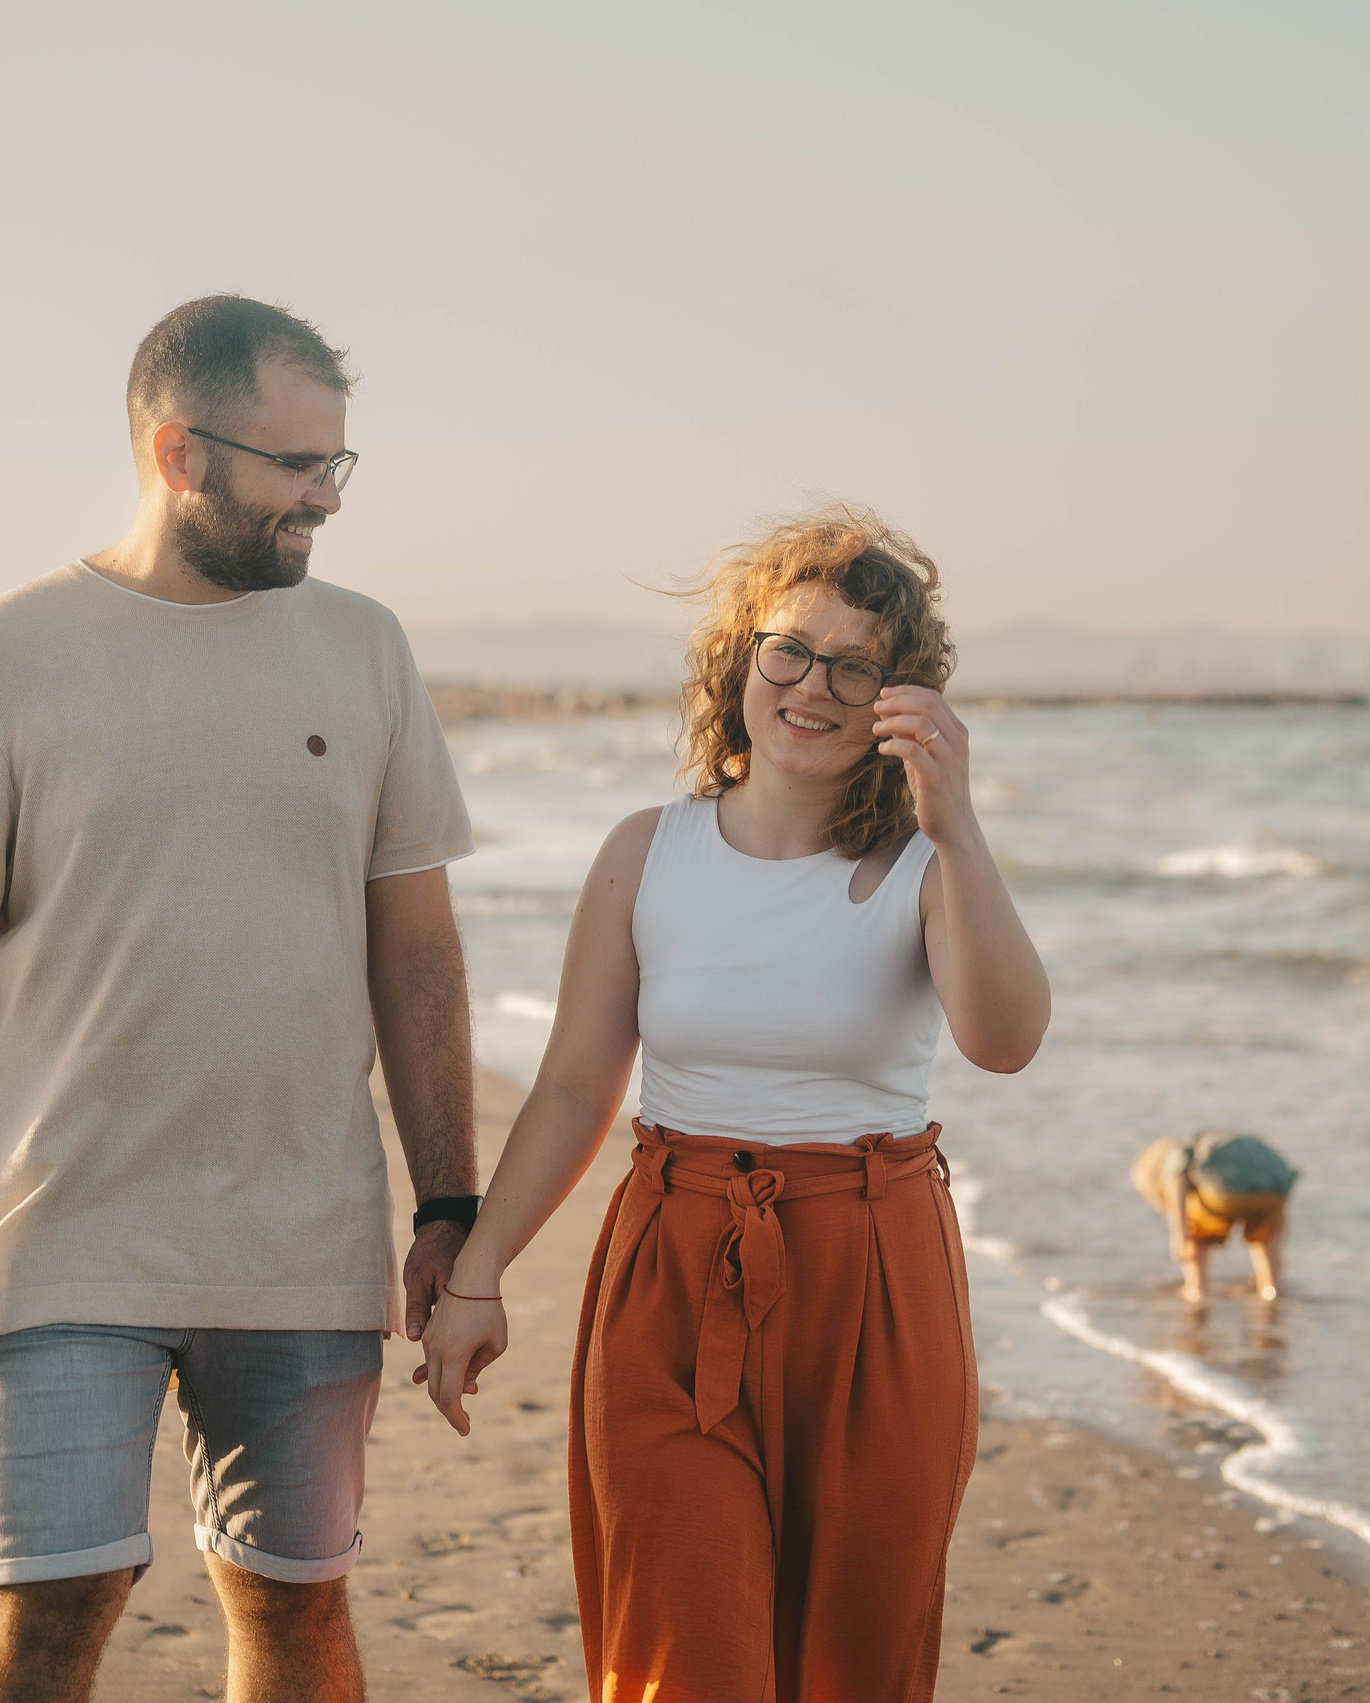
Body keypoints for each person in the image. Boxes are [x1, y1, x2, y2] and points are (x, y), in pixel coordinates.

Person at [0, 295, 481, 1703]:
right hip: (55, 1236)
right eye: (296, 463)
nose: (326, 496)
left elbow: (419, 953)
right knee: (43, 1618)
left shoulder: (365, 648)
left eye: (337, 462)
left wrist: (449, 1203)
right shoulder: (3, 655)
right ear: (179, 454)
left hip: (301, 1242)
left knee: (297, 1614)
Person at [417, 510, 1050, 1703]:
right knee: (683, 1658)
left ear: (898, 700)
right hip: (671, 1275)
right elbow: (573, 1084)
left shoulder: (928, 869)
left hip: (875, 1284)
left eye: (854, 665)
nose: (812, 685)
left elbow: (1006, 1041)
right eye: (789, 649)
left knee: (853, 1667)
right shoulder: (645, 851)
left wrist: (957, 827)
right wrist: (478, 1273)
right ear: (739, 657)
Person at [1130, 1129, 1298, 1302]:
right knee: (1265, 1240)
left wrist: (1180, 1236)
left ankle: (1197, 1289)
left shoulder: (1176, 1153)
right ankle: (1270, 1291)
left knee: (1197, 1227)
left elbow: (1179, 1181)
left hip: (1225, 1189)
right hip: (1277, 1187)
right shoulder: (1209, 1145)